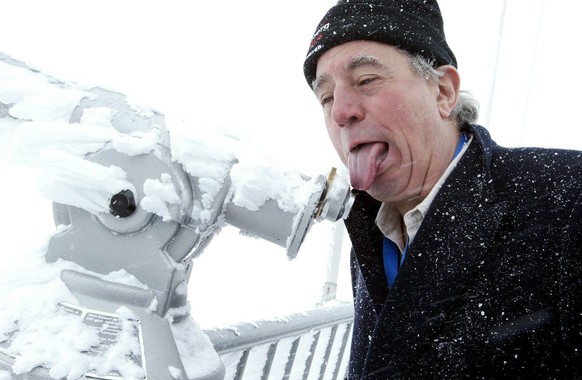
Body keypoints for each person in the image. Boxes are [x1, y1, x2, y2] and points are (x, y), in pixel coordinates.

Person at [302, 0, 582, 378]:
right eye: (326, 97)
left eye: (366, 80)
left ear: (444, 92)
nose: (340, 112)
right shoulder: (372, 235)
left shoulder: (568, 198)